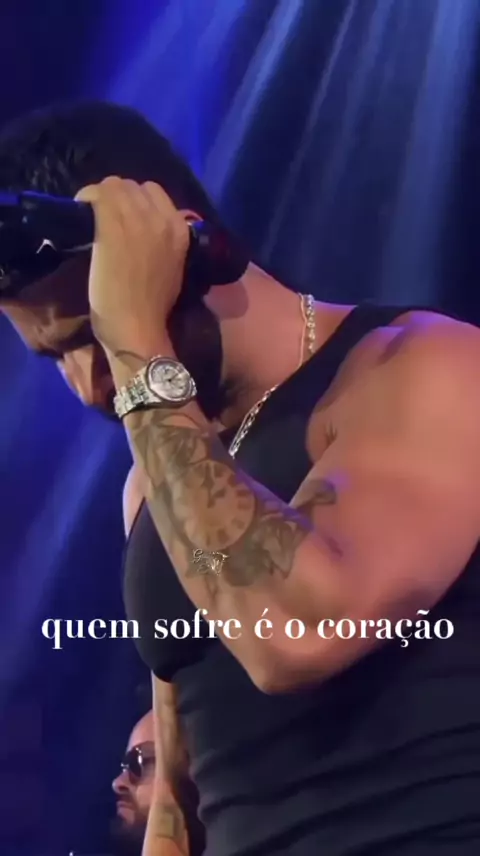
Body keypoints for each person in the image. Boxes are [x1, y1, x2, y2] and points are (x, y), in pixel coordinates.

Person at [1, 101, 480, 856]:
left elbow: (298, 633)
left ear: (182, 249)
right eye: (55, 357)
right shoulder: (153, 479)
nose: (91, 385)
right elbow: (179, 789)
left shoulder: (422, 364)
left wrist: (135, 339)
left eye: (93, 334)